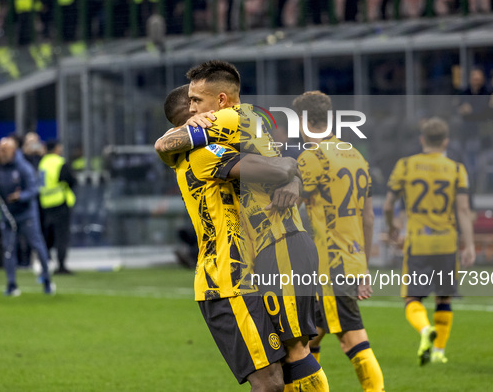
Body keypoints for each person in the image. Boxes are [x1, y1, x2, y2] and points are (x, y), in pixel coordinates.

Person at [156, 61, 329, 391]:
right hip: (225, 280)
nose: (198, 110)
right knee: (270, 382)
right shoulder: (205, 151)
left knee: (291, 360)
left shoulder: (215, 143)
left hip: (254, 267)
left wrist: (292, 178)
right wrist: (290, 169)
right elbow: (274, 168)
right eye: (192, 105)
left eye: (198, 101)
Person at [293, 91, 385, 391]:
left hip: (329, 264)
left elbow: (290, 207)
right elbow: (368, 217)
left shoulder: (312, 158)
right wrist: (362, 266)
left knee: (352, 338)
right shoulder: (356, 155)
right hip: (349, 260)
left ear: (304, 121)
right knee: (307, 338)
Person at [383, 118, 475, 365]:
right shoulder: (456, 169)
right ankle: (438, 352)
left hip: (419, 242)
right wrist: (470, 245)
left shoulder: (406, 165)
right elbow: (464, 210)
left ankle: (425, 330)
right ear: (446, 142)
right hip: (447, 243)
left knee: (412, 298)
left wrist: (393, 226)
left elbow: (389, 204)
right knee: (444, 298)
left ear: (422, 139)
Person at [0, 138, 55, 296]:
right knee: (9, 249)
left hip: (26, 215)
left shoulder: (23, 167)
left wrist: (21, 196)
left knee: (37, 246)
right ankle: (11, 284)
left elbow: (34, 190)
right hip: (7, 216)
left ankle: (46, 280)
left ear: (14, 150)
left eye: (6, 149)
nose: (2, 152)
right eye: (0, 149)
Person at [38, 140, 76, 275]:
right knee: (61, 236)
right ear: (56, 148)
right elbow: (71, 180)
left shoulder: (42, 163)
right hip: (60, 202)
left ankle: (44, 261)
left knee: (48, 235)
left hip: (45, 203)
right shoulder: (59, 162)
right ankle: (61, 265)